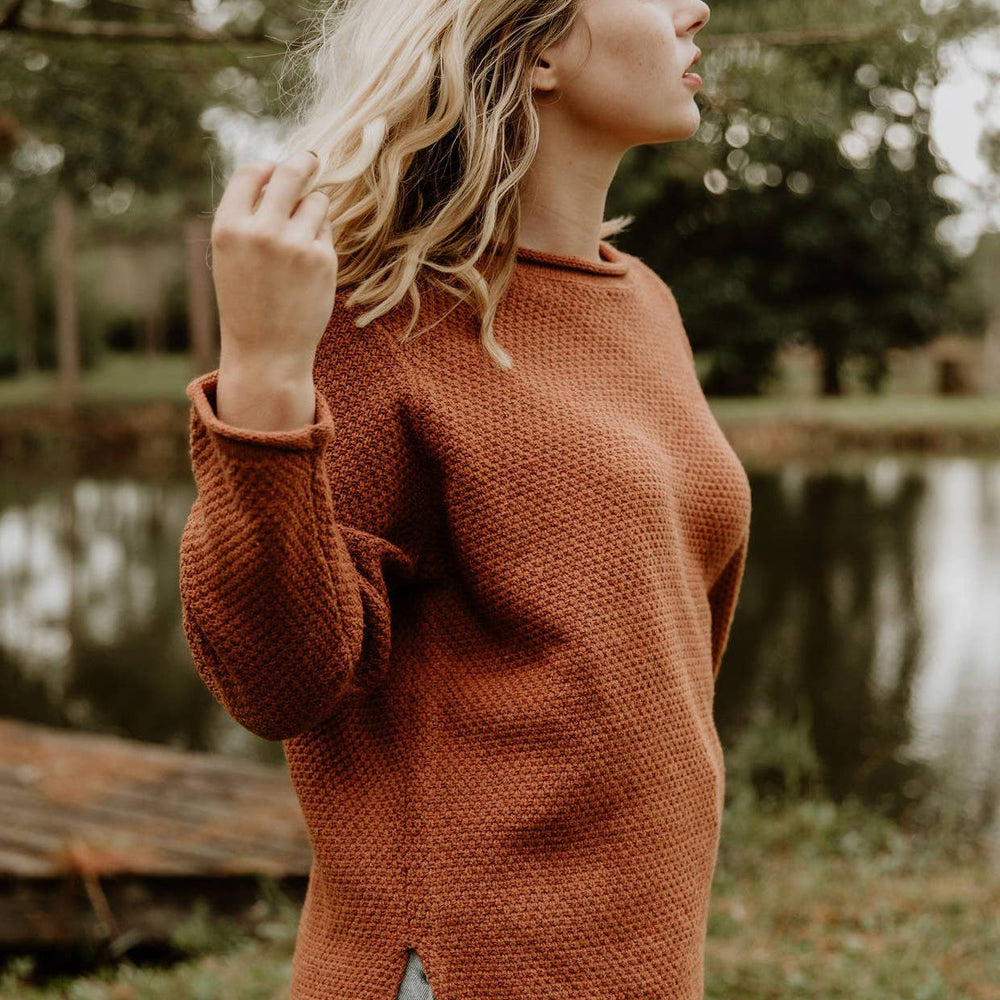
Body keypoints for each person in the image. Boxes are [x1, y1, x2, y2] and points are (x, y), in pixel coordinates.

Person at [178, 0, 751, 998]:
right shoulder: (373, 311)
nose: (691, 8)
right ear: (535, 49)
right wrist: (267, 369)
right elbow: (276, 680)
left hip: (642, 960)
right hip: (460, 970)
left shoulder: (642, 301)